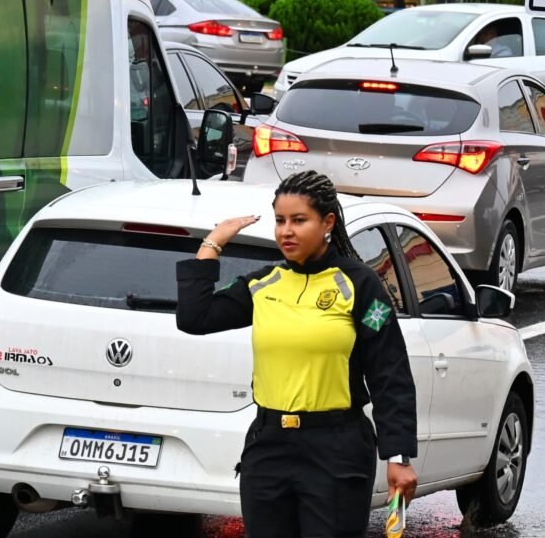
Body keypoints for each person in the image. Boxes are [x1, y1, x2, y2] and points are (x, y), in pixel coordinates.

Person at [176, 171, 417, 538]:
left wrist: (398, 456)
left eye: (299, 220)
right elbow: (195, 317)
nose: (286, 231)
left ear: (328, 223)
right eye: (280, 221)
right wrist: (212, 243)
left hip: (336, 449)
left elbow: (390, 373)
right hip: (268, 446)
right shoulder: (264, 283)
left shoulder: (361, 286)